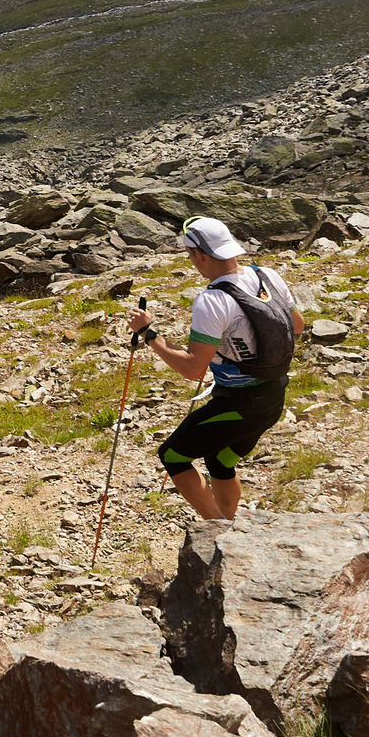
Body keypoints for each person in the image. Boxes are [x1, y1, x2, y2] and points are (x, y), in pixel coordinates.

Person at [122, 214, 303, 521]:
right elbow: (296, 325)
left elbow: (193, 370)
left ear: (200, 254)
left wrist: (149, 334)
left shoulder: (212, 300)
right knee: (220, 459)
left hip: (239, 403)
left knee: (173, 455)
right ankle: (229, 523)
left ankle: (216, 527)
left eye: (190, 254)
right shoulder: (267, 275)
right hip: (274, 396)